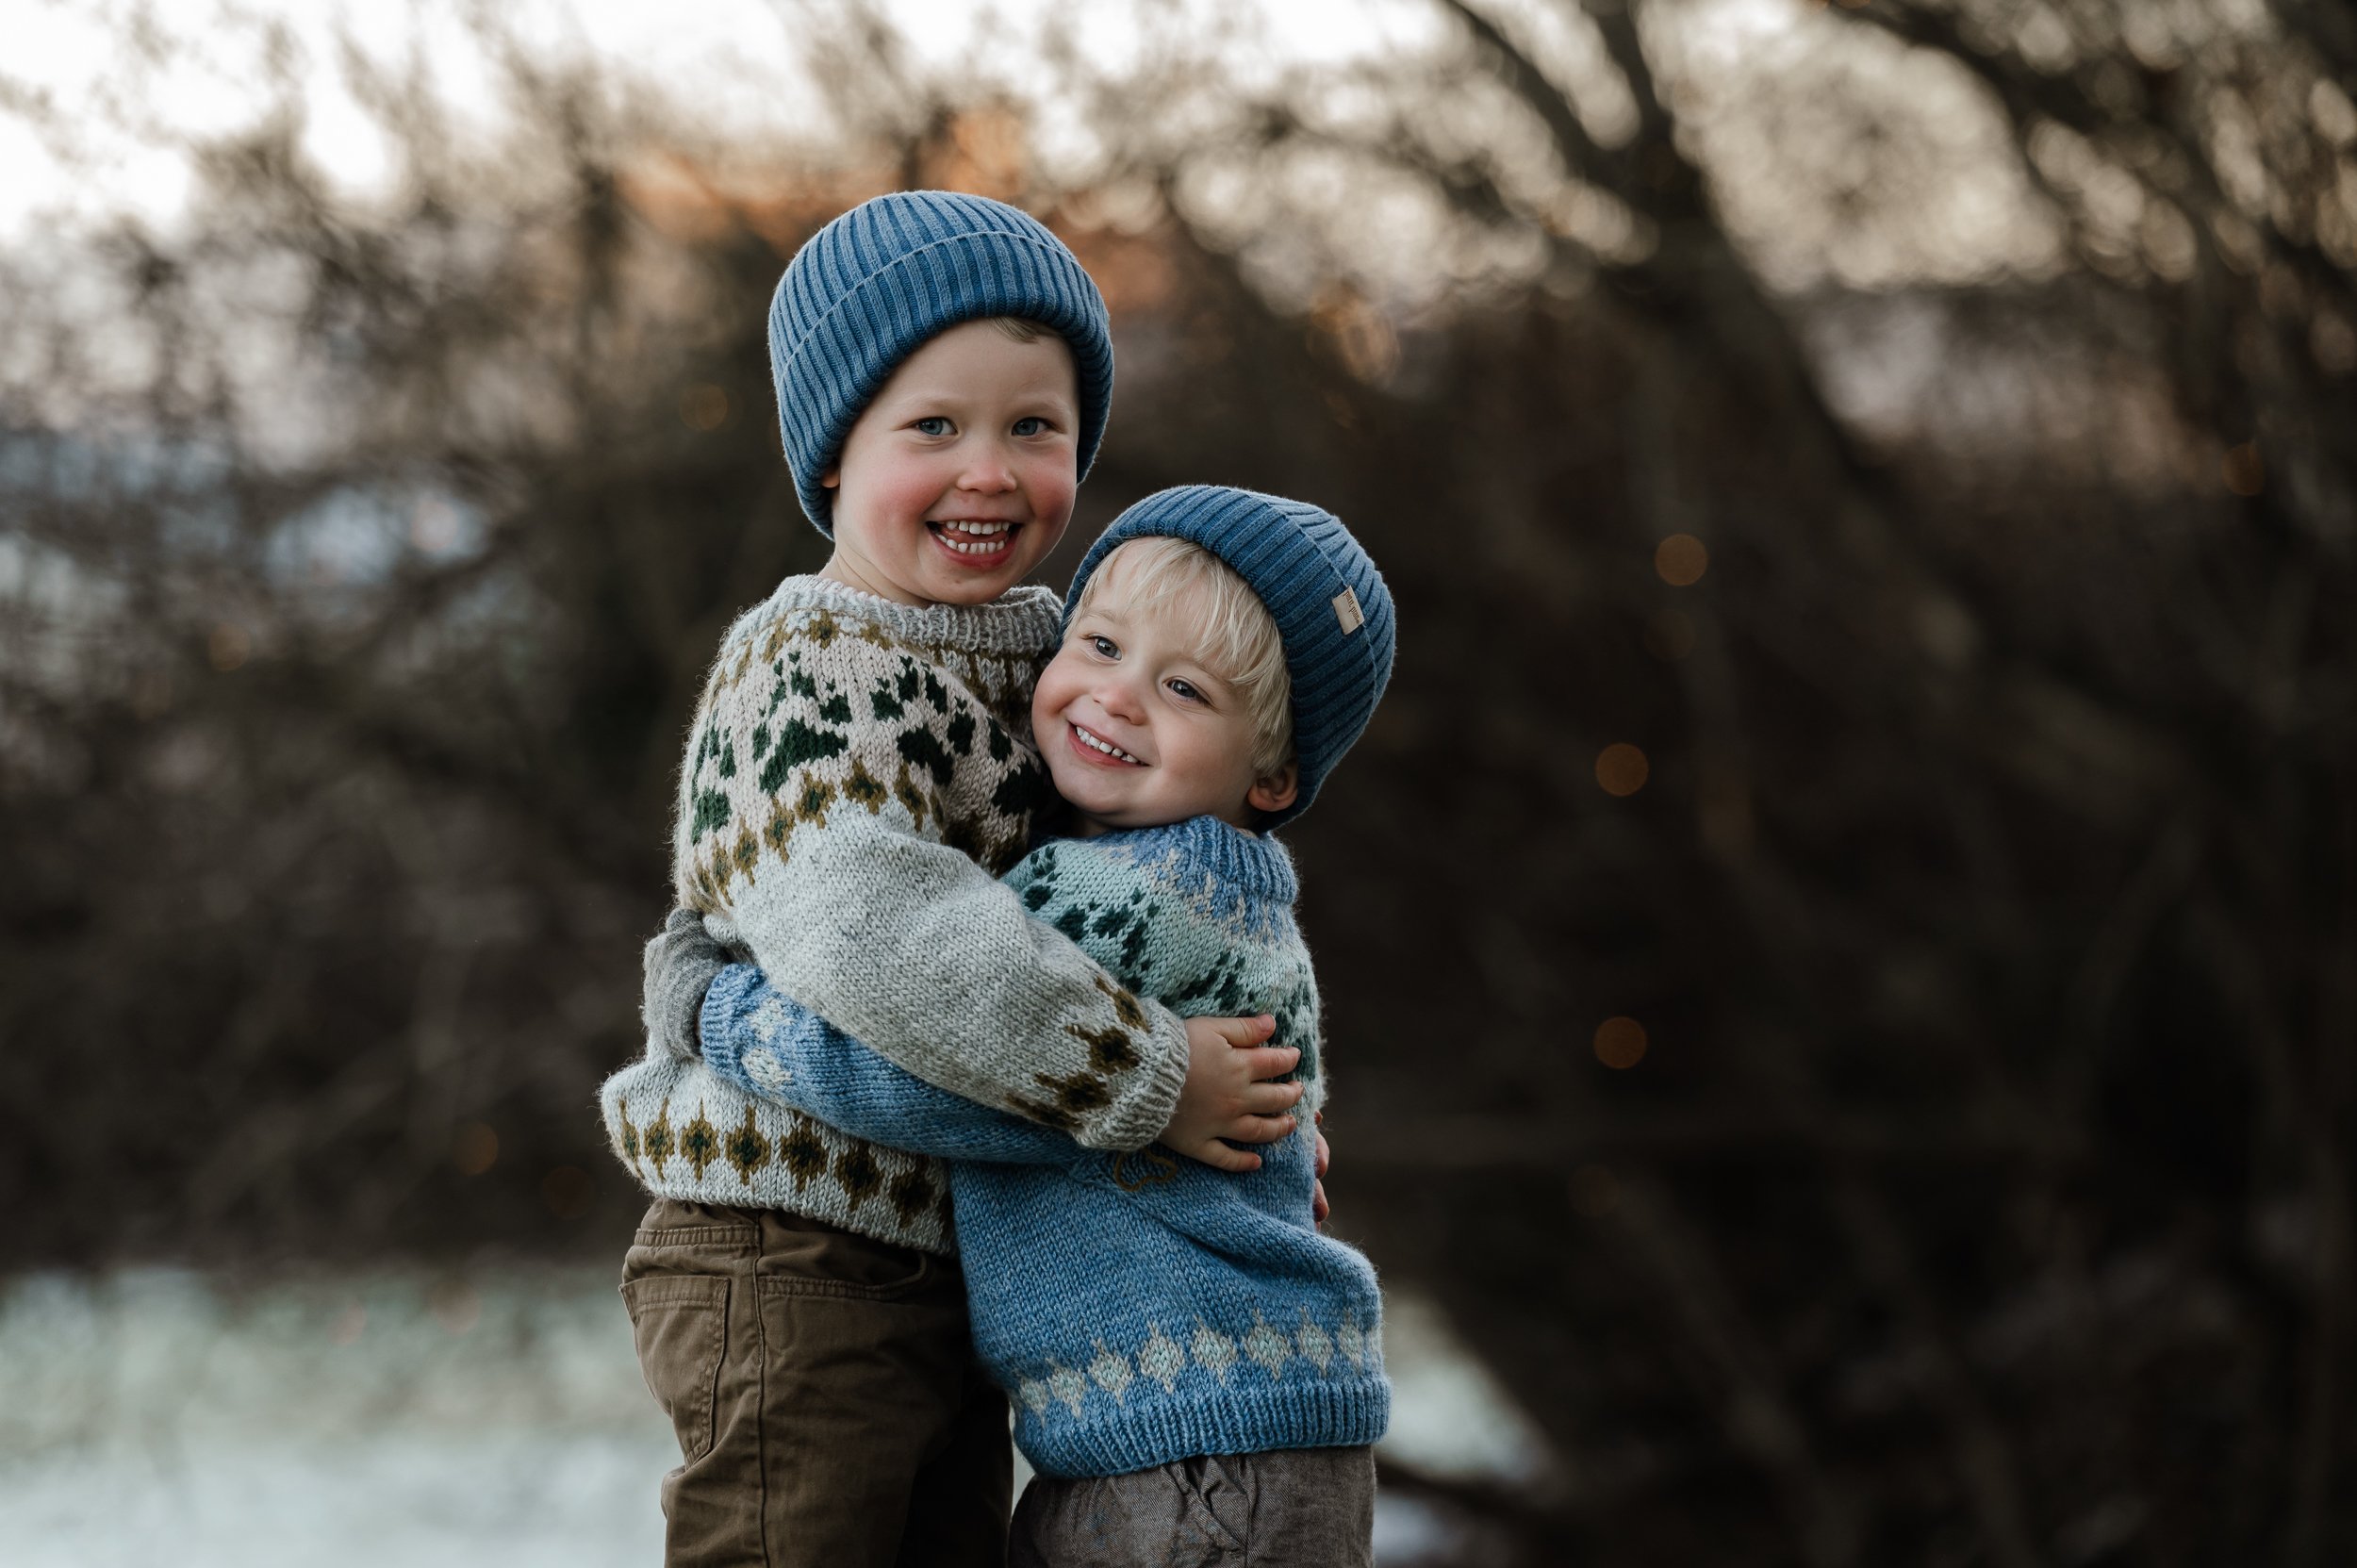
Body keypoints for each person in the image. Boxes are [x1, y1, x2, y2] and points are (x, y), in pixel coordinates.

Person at [599, 194, 1305, 1567]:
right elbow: (894, 941)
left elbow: (1140, 901)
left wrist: (1268, 1107)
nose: (990, 470)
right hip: (784, 1239)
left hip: (958, 1257)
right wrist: (1160, 1079)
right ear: (832, 460)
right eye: (934, 427)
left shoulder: (1058, 656)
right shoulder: (804, 676)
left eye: (1034, 428)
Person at [661, 485, 1399, 1567]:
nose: (1116, 697)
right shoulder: (1234, 895)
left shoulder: (1124, 898)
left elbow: (953, 1070)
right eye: (1098, 642)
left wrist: (713, 1008)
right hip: (1222, 1426)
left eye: (1183, 687)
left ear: (1274, 774)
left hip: (1195, 1452)